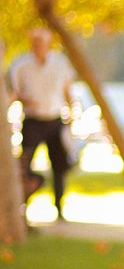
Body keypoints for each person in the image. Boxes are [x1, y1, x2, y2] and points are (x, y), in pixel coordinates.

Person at [9, 27, 76, 220]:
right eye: (35, 42)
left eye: (42, 42)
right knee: (24, 165)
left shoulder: (60, 63)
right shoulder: (21, 65)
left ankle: (59, 208)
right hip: (33, 121)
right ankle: (23, 209)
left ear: (48, 44)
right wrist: (23, 99)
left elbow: (67, 90)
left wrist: (72, 115)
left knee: (59, 166)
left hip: (55, 119)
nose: (38, 46)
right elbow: (13, 93)